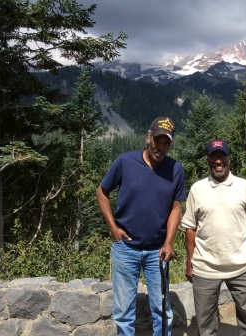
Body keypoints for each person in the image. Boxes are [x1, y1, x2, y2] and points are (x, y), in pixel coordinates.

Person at [96, 116, 186, 336]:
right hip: (126, 248)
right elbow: (102, 192)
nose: (161, 147)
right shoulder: (125, 162)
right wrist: (113, 229)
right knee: (124, 311)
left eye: (166, 143)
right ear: (148, 138)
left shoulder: (175, 169)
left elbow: (176, 208)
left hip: (158, 251)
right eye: (157, 141)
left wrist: (169, 242)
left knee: (162, 309)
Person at [181, 140, 246, 336]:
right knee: (206, 323)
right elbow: (190, 228)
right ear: (208, 160)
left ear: (230, 159)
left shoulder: (244, 186)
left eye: (222, 156)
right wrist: (189, 262)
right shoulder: (197, 189)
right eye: (214, 156)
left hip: (243, 264)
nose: (218, 161)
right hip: (205, 266)